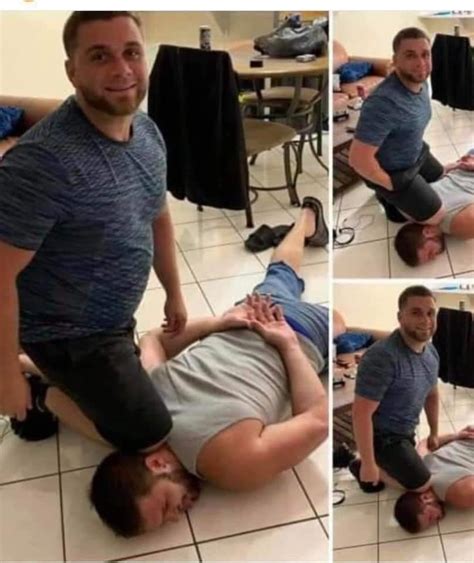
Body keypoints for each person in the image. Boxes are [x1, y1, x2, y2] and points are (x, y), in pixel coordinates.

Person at [16, 197, 329, 537]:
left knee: (340, 323)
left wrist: (287, 345)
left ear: (157, 463)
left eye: (166, 506)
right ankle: (307, 219)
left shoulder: (229, 466)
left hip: (302, 333)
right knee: (281, 274)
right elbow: (154, 340)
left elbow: (317, 421)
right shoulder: (142, 399)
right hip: (250, 314)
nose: (177, 516)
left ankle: (307, 224)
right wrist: (219, 322)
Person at [0, 12, 187, 451]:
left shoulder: (147, 132)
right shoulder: (42, 164)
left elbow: (157, 214)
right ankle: (42, 390)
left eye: (131, 52)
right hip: (63, 333)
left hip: (112, 317)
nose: (122, 69)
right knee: (148, 436)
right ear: (72, 70)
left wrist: (174, 290)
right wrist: (5, 375)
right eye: (100, 55)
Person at [349, 27, 446, 226]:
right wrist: (389, 185)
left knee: (440, 177)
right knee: (437, 217)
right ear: (395, 59)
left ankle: (398, 193)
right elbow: (358, 160)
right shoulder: (383, 103)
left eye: (425, 55)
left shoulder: (422, 82)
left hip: (415, 152)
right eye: (410, 55)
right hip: (394, 170)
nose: (421, 63)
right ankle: (387, 201)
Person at [351, 285, 440, 494]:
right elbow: (360, 413)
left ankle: (382, 462)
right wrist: (368, 464)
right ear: (400, 317)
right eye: (416, 313)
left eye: (430, 313)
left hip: (406, 431)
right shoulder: (382, 358)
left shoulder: (431, 352)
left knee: (421, 462)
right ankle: (359, 463)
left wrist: (435, 432)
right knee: (423, 486)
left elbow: (432, 395)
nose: (426, 320)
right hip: (382, 437)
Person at [394, 152, 474, 265]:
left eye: (430, 253)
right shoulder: (413, 207)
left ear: (427, 232)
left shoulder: (458, 226)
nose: (434, 258)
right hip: (466, 161)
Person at [394, 425, 474, 533]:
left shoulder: (460, 495)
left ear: (425, 498)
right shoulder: (419, 467)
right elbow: (425, 442)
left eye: (430, 518)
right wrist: (456, 435)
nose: (435, 522)